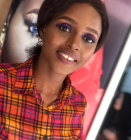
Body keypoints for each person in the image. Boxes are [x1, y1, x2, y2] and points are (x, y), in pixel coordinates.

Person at [0, 0, 109, 139]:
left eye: (88, 39)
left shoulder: (78, 105)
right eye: (65, 28)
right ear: (43, 28)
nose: (74, 44)